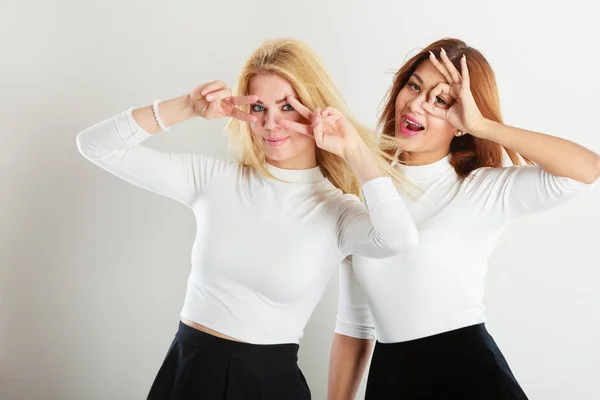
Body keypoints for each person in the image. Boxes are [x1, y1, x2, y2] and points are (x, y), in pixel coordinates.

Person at [76, 38, 419, 400]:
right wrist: (188, 107)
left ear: (316, 108)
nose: (271, 123)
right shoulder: (214, 179)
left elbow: (398, 239)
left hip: (269, 385)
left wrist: (352, 149)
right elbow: (96, 145)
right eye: (258, 107)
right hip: (188, 374)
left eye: (287, 106)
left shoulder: (336, 211)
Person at [328, 38, 600, 400]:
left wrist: (484, 126)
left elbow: (585, 170)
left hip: (466, 374)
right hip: (390, 377)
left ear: (461, 122)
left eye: (440, 100)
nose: (418, 104)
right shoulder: (367, 191)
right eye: (415, 86)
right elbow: (354, 323)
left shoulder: (479, 189)